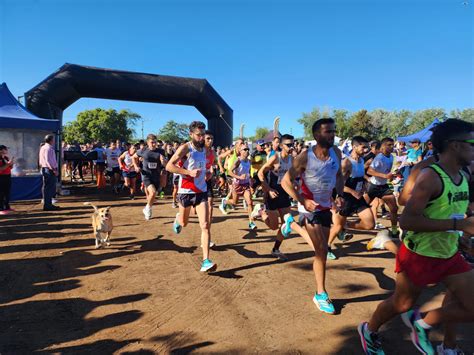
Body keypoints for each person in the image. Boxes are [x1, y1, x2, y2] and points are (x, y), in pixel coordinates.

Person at [358, 119, 474, 355]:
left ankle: (422, 324)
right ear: (454, 146)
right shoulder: (431, 176)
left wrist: (460, 234)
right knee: (401, 304)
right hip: (419, 255)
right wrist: (458, 224)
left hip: (449, 253)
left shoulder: (462, 175)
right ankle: (368, 330)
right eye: (472, 143)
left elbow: (449, 211)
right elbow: (407, 220)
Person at [281, 118, 345, 314]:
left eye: (333, 131)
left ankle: (292, 225)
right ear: (317, 135)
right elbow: (286, 181)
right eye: (328, 132)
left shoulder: (336, 152)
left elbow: (339, 176)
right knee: (321, 251)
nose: (332, 135)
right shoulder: (305, 157)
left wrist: (339, 195)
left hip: (326, 207)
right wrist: (302, 200)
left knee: (322, 249)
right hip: (309, 209)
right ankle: (320, 293)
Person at [327, 136, 392, 259]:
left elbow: (360, 177)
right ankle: (327, 247)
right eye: (363, 147)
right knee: (336, 227)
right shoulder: (346, 163)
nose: (366, 150)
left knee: (369, 224)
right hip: (345, 198)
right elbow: (337, 183)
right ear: (354, 147)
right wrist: (351, 192)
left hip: (358, 198)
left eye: (367, 147)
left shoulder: (362, 161)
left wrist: (363, 186)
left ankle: (345, 226)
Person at [166, 121, 216, 272]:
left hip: (201, 192)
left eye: (203, 135)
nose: (201, 138)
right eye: (198, 135)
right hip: (185, 192)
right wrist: (188, 172)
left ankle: (206, 260)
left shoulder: (206, 150)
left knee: (205, 225)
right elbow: (169, 166)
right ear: (191, 134)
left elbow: (203, 166)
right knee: (184, 222)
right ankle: (177, 219)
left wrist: (207, 173)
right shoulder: (185, 148)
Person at [252, 134, 296, 260]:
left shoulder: (292, 160)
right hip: (272, 194)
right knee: (273, 226)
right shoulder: (275, 158)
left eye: (292, 144)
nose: (291, 147)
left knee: (287, 224)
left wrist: (295, 183)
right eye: (288, 145)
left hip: (284, 194)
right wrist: (268, 189)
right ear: (282, 146)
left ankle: (276, 249)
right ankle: (260, 212)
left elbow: (291, 177)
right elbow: (260, 173)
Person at [365, 138, 399, 238]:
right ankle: (343, 225)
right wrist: (385, 176)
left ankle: (394, 230)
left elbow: (386, 171)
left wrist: (393, 174)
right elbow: (369, 171)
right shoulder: (379, 158)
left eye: (392, 145)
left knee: (394, 208)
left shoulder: (391, 157)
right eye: (389, 145)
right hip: (373, 186)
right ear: (383, 146)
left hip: (383, 187)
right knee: (361, 207)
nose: (392, 147)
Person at [225, 143, 257, 229]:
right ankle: (225, 202)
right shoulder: (238, 161)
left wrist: (251, 179)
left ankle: (251, 222)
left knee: (250, 202)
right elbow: (230, 172)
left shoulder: (249, 161)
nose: (247, 151)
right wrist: (239, 177)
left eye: (248, 149)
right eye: (245, 149)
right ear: (240, 151)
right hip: (237, 185)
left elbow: (248, 172)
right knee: (234, 203)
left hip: (245, 184)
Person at [135, 134, 166, 220]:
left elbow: (165, 164)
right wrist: (136, 166)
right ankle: (148, 209)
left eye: (155, 142)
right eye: (152, 142)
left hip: (156, 175)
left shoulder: (161, 151)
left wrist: (163, 162)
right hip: (146, 175)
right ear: (147, 143)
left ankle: (147, 207)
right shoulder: (143, 150)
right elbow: (134, 157)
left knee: (154, 194)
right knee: (152, 192)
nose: (154, 144)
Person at [39, 134, 60, 211]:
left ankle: (48, 204)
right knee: (49, 187)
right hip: (49, 169)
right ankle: (48, 205)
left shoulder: (43, 148)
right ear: (51, 140)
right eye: (53, 139)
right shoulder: (48, 148)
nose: (54, 140)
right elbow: (48, 161)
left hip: (46, 168)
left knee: (47, 187)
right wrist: (54, 169)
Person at [0, 145, 14, 215]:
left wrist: (11, 164)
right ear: (1, 150)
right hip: (1, 177)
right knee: (1, 193)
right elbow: (1, 169)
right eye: (5, 149)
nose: (7, 151)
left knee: (7, 193)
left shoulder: (6, 157)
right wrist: (8, 164)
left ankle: (7, 207)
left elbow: (10, 167)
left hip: (7, 177)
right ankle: (1, 208)